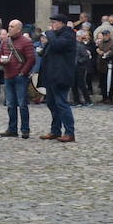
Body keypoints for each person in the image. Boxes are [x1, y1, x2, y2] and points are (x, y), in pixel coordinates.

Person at [37, 13, 77, 143]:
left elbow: (57, 46)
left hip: (61, 75)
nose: (52, 25)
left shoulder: (68, 35)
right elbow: (48, 50)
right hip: (51, 75)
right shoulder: (56, 36)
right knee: (51, 103)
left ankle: (69, 132)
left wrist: (49, 33)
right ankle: (55, 130)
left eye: (54, 22)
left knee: (61, 104)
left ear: (61, 23)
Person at [0, 19, 36, 139]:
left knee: (22, 104)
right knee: (10, 104)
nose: (9, 28)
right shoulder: (5, 42)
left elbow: (31, 59)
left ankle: (25, 129)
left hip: (20, 77)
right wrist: (1, 61)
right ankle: (12, 129)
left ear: (19, 29)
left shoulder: (26, 42)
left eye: (12, 26)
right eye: (9, 26)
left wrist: (23, 72)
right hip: (8, 76)